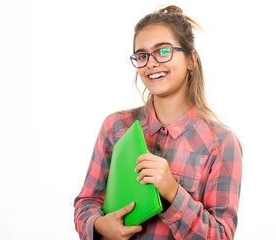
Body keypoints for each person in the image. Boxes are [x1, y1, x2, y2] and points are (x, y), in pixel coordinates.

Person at [74, 5, 242, 240]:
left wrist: (173, 192)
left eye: (163, 51)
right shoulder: (115, 127)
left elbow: (221, 236)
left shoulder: (222, 143)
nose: (151, 63)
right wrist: (100, 225)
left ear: (190, 60)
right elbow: (86, 203)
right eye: (142, 55)